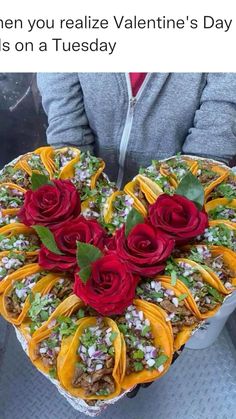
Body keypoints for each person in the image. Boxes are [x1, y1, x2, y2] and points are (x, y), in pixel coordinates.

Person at [37, 73, 236, 187]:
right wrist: (77, 179)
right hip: (87, 180)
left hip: (177, 189)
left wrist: (187, 195)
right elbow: (65, 115)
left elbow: (217, 122)